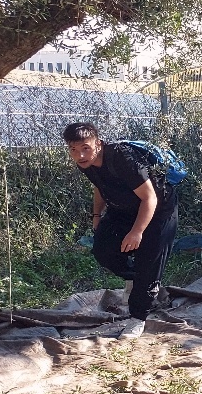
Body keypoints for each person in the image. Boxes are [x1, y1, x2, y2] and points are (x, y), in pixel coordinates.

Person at [63, 122, 178, 339]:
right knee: (103, 251)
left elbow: (149, 198)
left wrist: (137, 232)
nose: (80, 155)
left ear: (98, 143)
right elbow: (99, 185)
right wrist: (97, 215)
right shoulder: (85, 163)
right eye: (74, 150)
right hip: (122, 208)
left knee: (149, 259)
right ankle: (141, 282)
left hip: (158, 208)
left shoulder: (122, 159)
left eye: (85, 148)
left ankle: (138, 317)